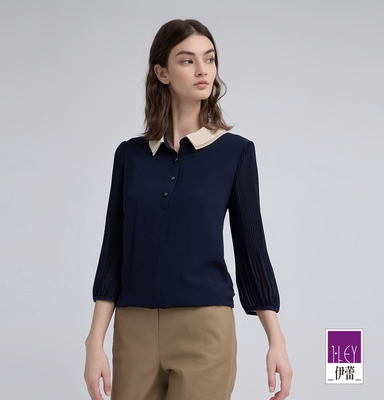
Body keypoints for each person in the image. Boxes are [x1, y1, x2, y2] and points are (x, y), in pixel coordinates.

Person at [84, 19, 292, 400]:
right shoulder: (129, 156)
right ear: (161, 72)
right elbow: (113, 251)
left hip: (205, 327)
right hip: (133, 328)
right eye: (187, 60)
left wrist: (275, 339)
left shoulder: (235, 153)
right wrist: (94, 342)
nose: (202, 70)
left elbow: (252, 250)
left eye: (209, 59)